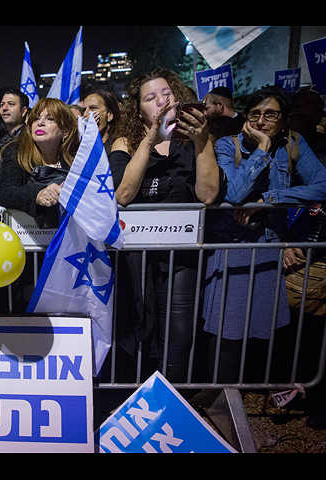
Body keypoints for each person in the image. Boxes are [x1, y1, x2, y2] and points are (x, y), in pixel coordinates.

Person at [203, 85, 326, 384]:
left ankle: (253, 400)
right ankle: (220, 398)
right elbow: (234, 193)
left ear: (284, 120)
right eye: (254, 114)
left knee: (264, 332)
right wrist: (261, 149)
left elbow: (322, 186)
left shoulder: (293, 144)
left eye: (270, 115)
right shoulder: (226, 145)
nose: (260, 122)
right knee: (227, 333)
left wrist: (268, 200)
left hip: (270, 247)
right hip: (232, 249)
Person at [109, 69, 219, 384]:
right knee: (142, 327)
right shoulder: (125, 142)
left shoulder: (194, 139)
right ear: (138, 109)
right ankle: (141, 391)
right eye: (151, 97)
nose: (162, 100)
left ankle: (174, 397)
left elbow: (208, 194)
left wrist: (202, 140)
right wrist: (150, 138)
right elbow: (124, 194)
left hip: (182, 253)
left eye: (167, 93)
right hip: (137, 254)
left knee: (180, 331)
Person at [0, 97, 80, 229]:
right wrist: (37, 194)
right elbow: (5, 193)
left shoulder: (76, 157)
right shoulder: (16, 151)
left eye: (50, 119)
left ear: (66, 130)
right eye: (36, 118)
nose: (40, 123)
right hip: (28, 240)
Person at [82, 90, 121, 155]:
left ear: (110, 115)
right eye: (84, 110)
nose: (85, 114)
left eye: (93, 108)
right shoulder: (80, 144)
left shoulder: (117, 145)